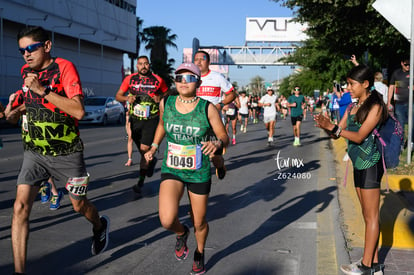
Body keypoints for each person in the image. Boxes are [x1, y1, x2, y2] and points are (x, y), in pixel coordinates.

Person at [9, 26, 109, 274]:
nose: (26, 55)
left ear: (46, 46)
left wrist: (43, 90)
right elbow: (26, 107)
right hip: (35, 153)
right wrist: (12, 111)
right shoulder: (26, 72)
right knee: (20, 208)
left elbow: (78, 111)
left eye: (31, 48)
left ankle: (99, 226)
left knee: (79, 206)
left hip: (67, 153)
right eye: (22, 51)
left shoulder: (64, 68)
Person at [144, 62, 229, 275]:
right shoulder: (167, 103)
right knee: (166, 219)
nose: (183, 81)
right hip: (172, 167)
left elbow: (223, 136)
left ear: (198, 82)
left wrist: (217, 144)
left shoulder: (207, 108)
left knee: (199, 220)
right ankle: (181, 233)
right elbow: (163, 124)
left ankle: (199, 252)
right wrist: (154, 146)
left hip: (198, 170)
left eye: (189, 78)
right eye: (179, 77)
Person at [314, 65, 387, 275]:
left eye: (351, 84)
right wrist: (327, 127)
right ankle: (374, 265)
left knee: (371, 215)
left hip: (370, 164)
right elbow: (338, 133)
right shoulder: (352, 107)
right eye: (347, 83)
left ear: (365, 84)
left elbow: (358, 136)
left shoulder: (376, 107)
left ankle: (366, 266)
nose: (348, 88)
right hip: (357, 164)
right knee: (366, 214)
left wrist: (334, 128)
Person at [115, 55, 168, 193]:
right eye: (140, 64)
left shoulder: (157, 80)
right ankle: (150, 162)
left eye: (146, 64)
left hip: (151, 119)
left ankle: (140, 182)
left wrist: (160, 97)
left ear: (149, 65)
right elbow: (118, 95)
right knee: (142, 150)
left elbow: (167, 94)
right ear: (137, 66)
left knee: (145, 149)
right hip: (135, 120)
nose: (143, 66)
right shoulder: (130, 79)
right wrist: (127, 98)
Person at [194, 50, 236, 180]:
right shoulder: (191, 78)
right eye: (196, 59)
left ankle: (220, 166)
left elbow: (232, 93)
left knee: (215, 156)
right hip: (196, 121)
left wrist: (221, 105)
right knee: (196, 152)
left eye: (202, 59)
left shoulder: (217, 77)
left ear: (209, 62)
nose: (199, 62)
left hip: (214, 121)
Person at [387, 57, 413, 148]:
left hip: (411, 103)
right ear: (402, 63)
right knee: (400, 124)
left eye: (409, 64)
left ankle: (411, 142)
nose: (408, 66)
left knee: (412, 124)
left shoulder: (413, 72)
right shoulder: (396, 73)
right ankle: (401, 143)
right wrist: (388, 102)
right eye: (406, 65)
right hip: (399, 103)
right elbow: (391, 87)